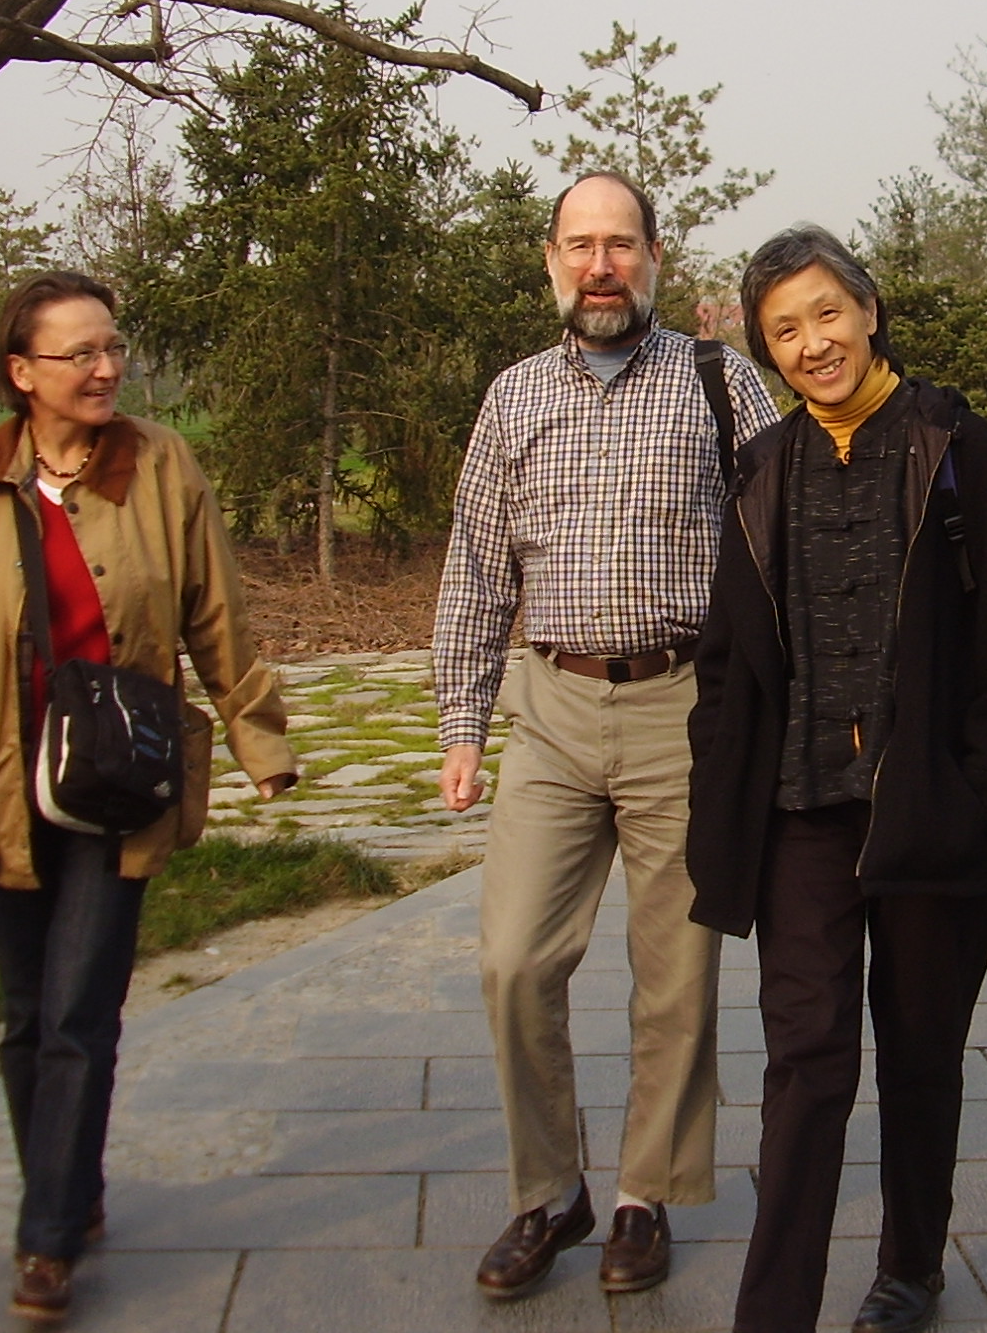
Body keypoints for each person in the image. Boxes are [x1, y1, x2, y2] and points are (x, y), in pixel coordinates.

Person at [0, 271, 297, 1323]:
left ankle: (43, 1242)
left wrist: (257, 734)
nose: (105, 368)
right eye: (79, 353)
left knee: (80, 1009)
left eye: (112, 347)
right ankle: (70, 1188)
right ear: (22, 372)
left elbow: (214, 611)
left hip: (116, 778)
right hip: (3, 782)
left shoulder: (160, 464)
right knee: (26, 1017)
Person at [686, 226, 987, 1333]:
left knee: (922, 1053)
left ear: (869, 310)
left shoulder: (958, 449)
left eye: (826, 313)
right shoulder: (761, 469)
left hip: (929, 813)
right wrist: (719, 789)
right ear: (767, 349)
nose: (813, 343)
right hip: (801, 816)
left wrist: (984, 798)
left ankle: (910, 1266)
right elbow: (725, 662)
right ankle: (774, 1309)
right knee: (805, 1063)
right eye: (784, 330)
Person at [434, 172, 776, 1301]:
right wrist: (462, 723)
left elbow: (786, 536)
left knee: (676, 973)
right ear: (550, 261)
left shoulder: (721, 384)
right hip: (552, 712)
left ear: (654, 257)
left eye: (620, 244)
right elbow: (476, 567)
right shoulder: (514, 397)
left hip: (684, 708)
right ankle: (548, 1193)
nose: (600, 266)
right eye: (579, 245)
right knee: (513, 960)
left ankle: (643, 1194)